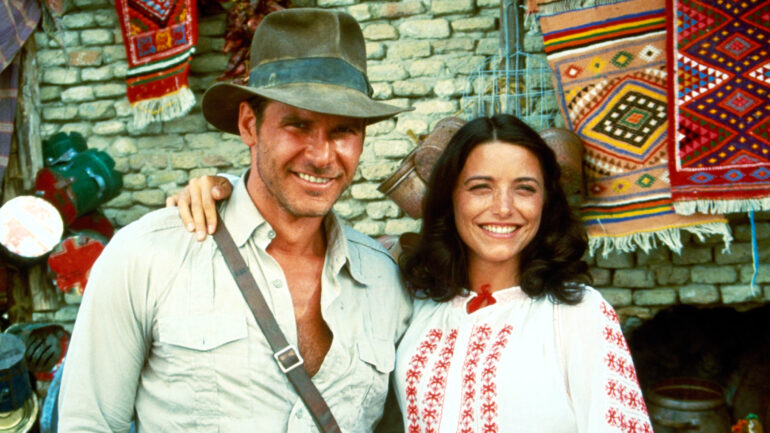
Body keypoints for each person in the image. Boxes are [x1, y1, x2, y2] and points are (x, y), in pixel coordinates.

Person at [176, 114, 653, 432]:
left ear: (546, 202)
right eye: (480, 187)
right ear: (449, 198)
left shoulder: (579, 315)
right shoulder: (414, 303)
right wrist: (221, 190)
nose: (503, 208)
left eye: (524, 189)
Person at [57, 8, 413, 432]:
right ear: (249, 124)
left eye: (343, 131)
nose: (321, 155)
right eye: (298, 125)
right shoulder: (147, 257)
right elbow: (87, 423)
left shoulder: (385, 281)